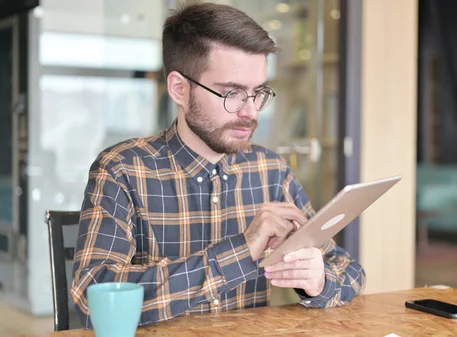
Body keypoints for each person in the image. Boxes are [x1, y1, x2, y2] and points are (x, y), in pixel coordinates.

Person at [71, 2, 366, 329]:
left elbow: (351, 273)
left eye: (258, 93)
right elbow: (91, 298)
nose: (251, 113)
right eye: (233, 94)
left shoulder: (270, 171)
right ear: (179, 89)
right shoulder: (123, 170)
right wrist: (243, 249)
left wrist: (319, 280)